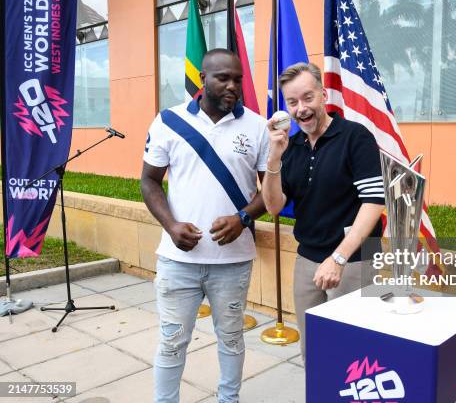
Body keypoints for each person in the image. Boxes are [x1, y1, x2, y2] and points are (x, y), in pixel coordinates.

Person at [141, 49, 268, 403]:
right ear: (203, 79)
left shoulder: (257, 126)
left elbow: (273, 192)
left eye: (238, 79)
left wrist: (243, 218)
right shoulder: (168, 121)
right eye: (223, 78)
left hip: (233, 262)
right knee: (171, 341)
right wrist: (170, 225)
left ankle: (230, 399)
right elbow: (149, 182)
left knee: (231, 339)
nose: (232, 86)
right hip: (177, 262)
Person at [262, 62, 385, 359]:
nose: (301, 108)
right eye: (292, 102)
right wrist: (274, 159)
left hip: (353, 260)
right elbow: (273, 206)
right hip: (308, 258)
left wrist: (338, 257)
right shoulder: (290, 147)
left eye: (308, 98)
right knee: (314, 350)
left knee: (350, 352)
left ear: (323, 95)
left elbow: (373, 202)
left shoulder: (356, 137)